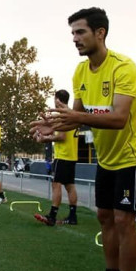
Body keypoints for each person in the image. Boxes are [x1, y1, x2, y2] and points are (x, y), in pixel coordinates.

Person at [30, 7, 136, 271]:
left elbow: (119, 118)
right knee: (104, 216)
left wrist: (75, 117)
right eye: (72, 33)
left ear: (100, 33)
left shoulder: (124, 68)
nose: (75, 38)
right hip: (107, 159)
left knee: (124, 220)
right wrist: (51, 128)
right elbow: (76, 117)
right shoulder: (80, 72)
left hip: (132, 155)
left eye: (80, 32)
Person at [33, 90, 79, 226]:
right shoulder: (72, 114)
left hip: (63, 155)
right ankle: (72, 216)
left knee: (56, 184)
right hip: (72, 155)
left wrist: (45, 138)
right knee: (70, 186)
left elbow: (61, 136)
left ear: (57, 99)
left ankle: (52, 216)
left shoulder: (62, 116)